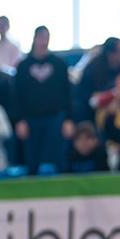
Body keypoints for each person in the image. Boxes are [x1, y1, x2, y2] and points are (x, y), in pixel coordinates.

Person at [14, 26, 73, 175]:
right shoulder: (23, 66)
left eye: (46, 37)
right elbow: (17, 96)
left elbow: (67, 94)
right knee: (32, 163)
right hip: (31, 120)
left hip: (55, 118)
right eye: (40, 37)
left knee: (58, 161)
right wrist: (19, 120)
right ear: (34, 39)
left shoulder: (59, 65)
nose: (43, 41)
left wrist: (68, 119)